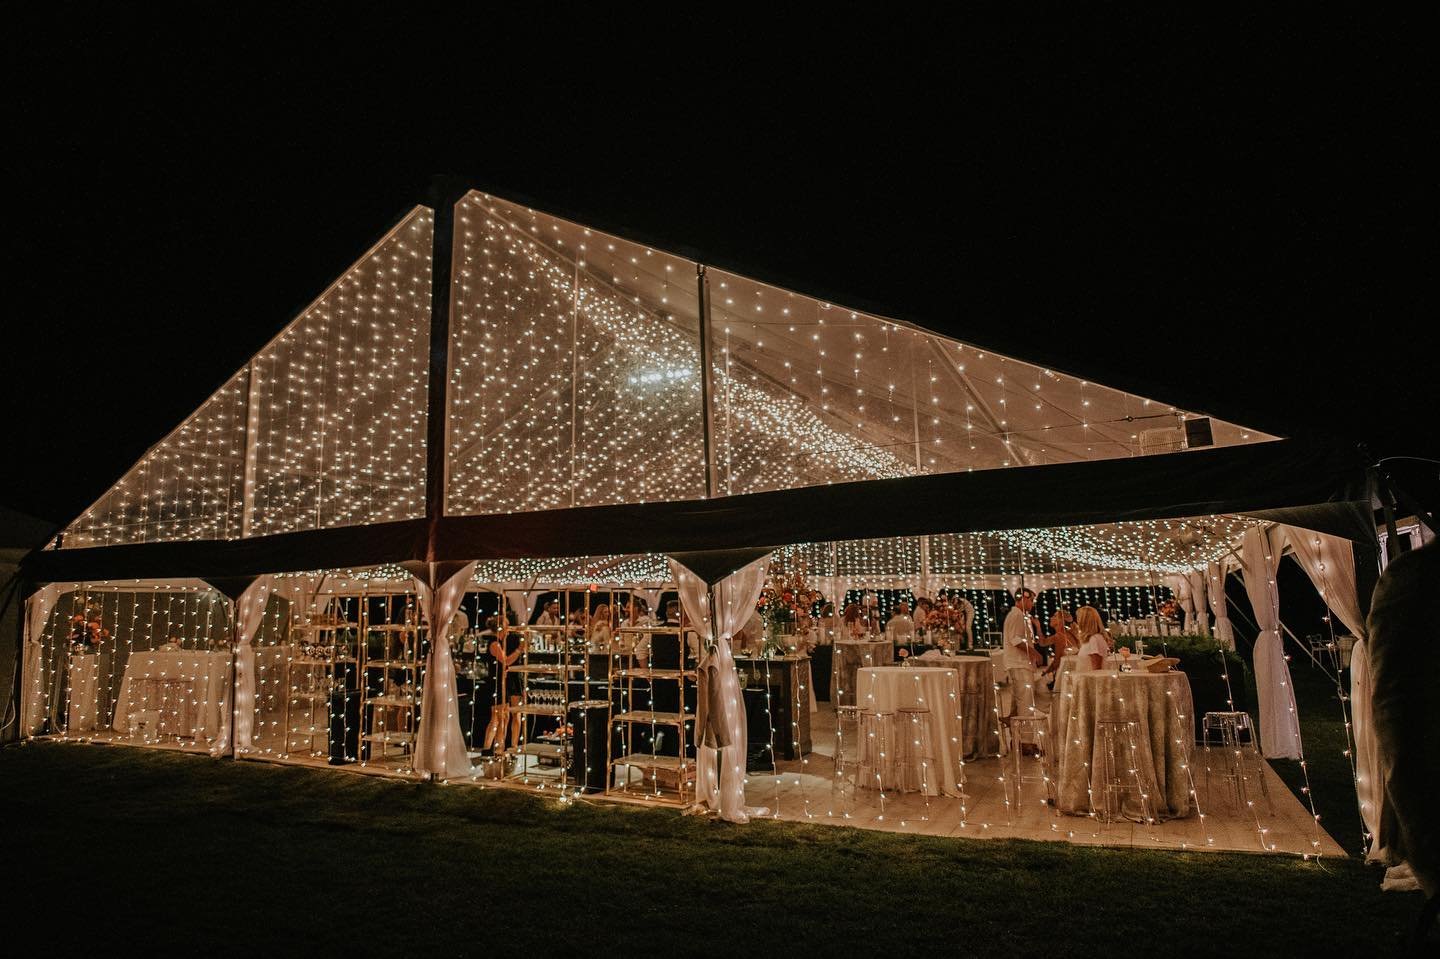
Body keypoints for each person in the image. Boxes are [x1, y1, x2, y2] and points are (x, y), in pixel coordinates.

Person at [1003, 587, 1049, 752]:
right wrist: (1035, 653)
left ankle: (1017, 740)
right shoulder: (1016, 615)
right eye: (1031, 600)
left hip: (1020, 664)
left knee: (1020, 703)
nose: (1032, 604)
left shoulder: (1019, 616)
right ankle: (1025, 742)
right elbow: (1015, 640)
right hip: (1019, 663)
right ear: (1023, 598)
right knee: (1026, 704)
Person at [481, 618, 523, 755]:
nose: (509, 628)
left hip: (502, 682)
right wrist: (519, 649)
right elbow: (506, 661)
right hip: (496, 682)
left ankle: (499, 748)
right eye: (507, 625)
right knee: (496, 718)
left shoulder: (499, 643)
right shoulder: (494, 644)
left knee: (504, 717)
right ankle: (487, 748)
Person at [1073, 606, 1111, 673]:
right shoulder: (1091, 638)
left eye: (1078, 618)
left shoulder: (1094, 639)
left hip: (1089, 678)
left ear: (1084, 621)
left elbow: (1097, 669)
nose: (1077, 622)